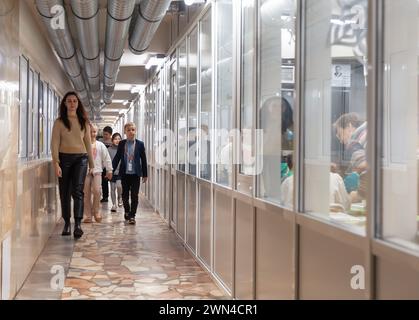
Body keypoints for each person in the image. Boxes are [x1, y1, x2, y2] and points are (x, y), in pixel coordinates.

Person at [51, 91, 94, 239]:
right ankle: (67, 223)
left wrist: (92, 164)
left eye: (74, 101)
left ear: (78, 103)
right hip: (64, 159)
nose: (72, 103)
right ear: (65, 103)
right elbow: (55, 143)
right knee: (64, 192)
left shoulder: (83, 122)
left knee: (78, 191)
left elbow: (88, 143)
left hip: (80, 159)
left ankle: (78, 225)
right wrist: (56, 163)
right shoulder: (59, 122)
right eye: (69, 101)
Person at [112, 122, 148, 224]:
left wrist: (145, 174)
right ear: (125, 132)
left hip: (135, 174)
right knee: (124, 195)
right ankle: (127, 211)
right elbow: (117, 158)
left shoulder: (140, 144)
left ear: (135, 131)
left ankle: (132, 216)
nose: (131, 132)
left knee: (134, 195)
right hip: (125, 174)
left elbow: (143, 160)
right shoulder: (122, 143)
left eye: (133, 130)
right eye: (128, 130)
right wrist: (111, 169)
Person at [334, 112, 367, 201]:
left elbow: (365, 164)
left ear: (349, 126)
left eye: (340, 135)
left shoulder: (353, 142)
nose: (341, 141)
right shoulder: (369, 131)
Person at [83, 124, 113, 223]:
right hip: (85, 173)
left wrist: (109, 170)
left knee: (97, 191)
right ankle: (87, 215)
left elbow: (106, 158)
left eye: (94, 132)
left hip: (97, 172)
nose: (92, 134)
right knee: (86, 194)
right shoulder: (82, 144)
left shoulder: (101, 145)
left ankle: (96, 211)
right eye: (90, 131)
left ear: (97, 133)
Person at [107, 132, 123, 212]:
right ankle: (114, 205)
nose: (117, 140)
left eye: (119, 139)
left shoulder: (123, 149)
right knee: (112, 189)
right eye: (115, 139)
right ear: (112, 140)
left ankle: (120, 197)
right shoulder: (109, 149)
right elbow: (107, 161)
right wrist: (108, 171)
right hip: (112, 172)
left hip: (120, 172)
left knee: (119, 186)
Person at [99, 126, 113, 203]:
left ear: (110, 135)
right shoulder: (100, 141)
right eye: (104, 134)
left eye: (106, 134)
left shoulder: (112, 142)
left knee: (112, 182)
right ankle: (105, 197)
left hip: (110, 164)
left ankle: (115, 196)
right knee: (104, 182)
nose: (105, 136)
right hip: (102, 165)